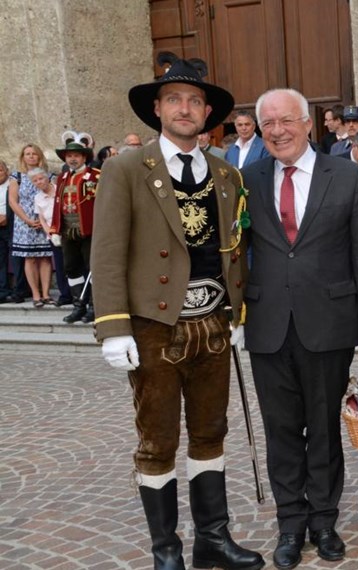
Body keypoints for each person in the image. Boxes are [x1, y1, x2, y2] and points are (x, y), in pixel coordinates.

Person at [90, 55, 264, 570]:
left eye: (194, 101)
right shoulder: (126, 169)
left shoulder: (226, 173)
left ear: (207, 111)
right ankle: (166, 549)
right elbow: (108, 250)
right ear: (157, 109)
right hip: (152, 328)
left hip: (212, 324)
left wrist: (237, 316)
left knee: (211, 432)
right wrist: (112, 327)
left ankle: (213, 539)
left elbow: (234, 248)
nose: (185, 108)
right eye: (174, 100)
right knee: (158, 439)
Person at [241, 88, 358, 569]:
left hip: (328, 324)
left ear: (309, 124)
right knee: (280, 429)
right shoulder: (247, 178)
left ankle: (324, 521)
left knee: (323, 428)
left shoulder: (347, 176)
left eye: (286, 121)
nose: (278, 131)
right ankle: (290, 524)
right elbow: (233, 252)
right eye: (268, 125)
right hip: (266, 326)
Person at [51, 141, 100, 323]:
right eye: (69, 156)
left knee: (92, 268)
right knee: (71, 268)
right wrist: (55, 229)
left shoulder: (96, 176)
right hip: (68, 231)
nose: (72, 159)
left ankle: (95, 307)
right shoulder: (62, 178)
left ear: (84, 157)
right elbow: (57, 205)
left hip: (89, 231)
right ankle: (79, 305)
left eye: (76, 156)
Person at [9, 144, 53, 307]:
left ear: (39, 156)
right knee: (30, 258)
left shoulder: (49, 175)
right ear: (23, 157)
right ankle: (35, 294)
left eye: (34, 153)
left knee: (45, 257)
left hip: (45, 221)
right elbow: (13, 201)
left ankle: (46, 294)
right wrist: (27, 219)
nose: (31, 156)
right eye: (27, 154)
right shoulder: (17, 176)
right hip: (24, 222)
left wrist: (44, 221)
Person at [23, 169, 55, 306]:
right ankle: (38, 296)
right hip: (51, 234)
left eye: (41, 179)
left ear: (47, 177)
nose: (39, 182)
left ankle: (64, 295)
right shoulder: (38, 197)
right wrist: (49, 232)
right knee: (31, 259)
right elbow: (41, 217)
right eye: (35, 181)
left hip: (65, 231)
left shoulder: (58, 189)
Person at [0, 161, 14, 303]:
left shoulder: (12, 185)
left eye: (0, 170)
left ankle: (21, 289)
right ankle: (3, 291)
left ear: (6, 171)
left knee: (17, 259)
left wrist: (6, 217)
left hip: (11, 226)